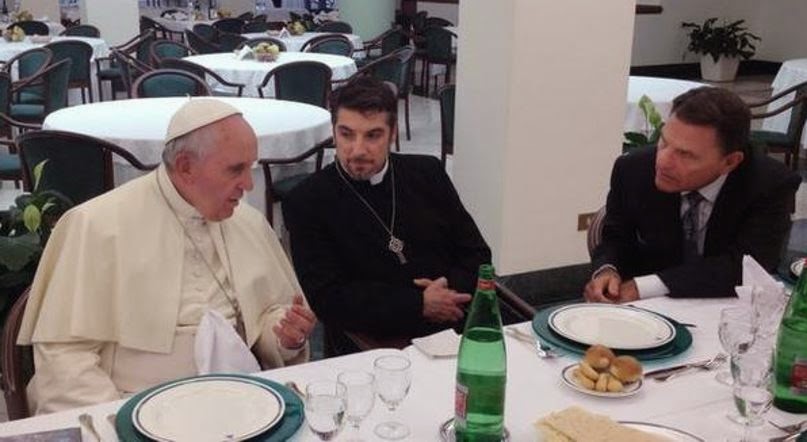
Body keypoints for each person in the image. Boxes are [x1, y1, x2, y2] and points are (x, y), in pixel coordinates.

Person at [18, 99, 316, 414]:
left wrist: (285, 337)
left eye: (250, 167)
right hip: (131, 404)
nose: (249, 184)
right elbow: (65, 358)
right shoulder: (96, 225)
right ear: (185, 166)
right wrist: (118, 420)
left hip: (241, 398)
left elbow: (265, 318)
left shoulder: (247, 222)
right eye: (235, 169)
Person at [283, 76, 491, 355]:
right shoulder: (307, 200)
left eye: (373, 135)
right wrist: (419, 304)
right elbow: (328, 298)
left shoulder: (428, 173)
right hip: (370, 347)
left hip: (455, 328)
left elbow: (477, 254)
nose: (358, 150)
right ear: (333, 132)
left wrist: (448, 295)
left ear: (392, 134)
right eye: (346, 134)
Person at [585, 86, 801, 303]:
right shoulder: (633, 169)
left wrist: (645, 286)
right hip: (647, 307)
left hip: (726, 303)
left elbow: (748, 267)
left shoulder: (770, 184)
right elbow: (616, 236)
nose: (663, 162)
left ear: (730, 162)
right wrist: (607, 269)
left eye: (685, 154)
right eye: (664, 142)